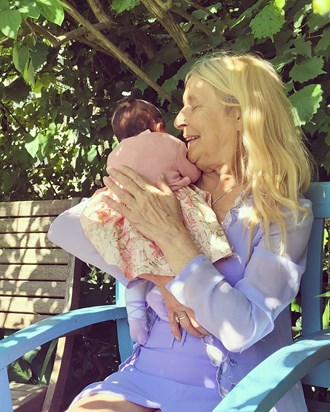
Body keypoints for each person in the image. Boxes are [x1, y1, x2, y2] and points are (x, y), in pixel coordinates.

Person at [48, 51, 314, 412]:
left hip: (236, 392)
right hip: (144, 379)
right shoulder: (175, 185)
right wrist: (165, 279)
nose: (178, 120)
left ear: (240, 113)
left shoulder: (282, 212)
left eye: (194, 106)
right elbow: (67, 226)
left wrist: (175, 237)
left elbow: (242, 329)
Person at [80, 97, 232, 344]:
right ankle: (166, 292)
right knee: (182, 247)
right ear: (158, 124)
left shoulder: (115, 155)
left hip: (129, 215)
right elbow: (191, 174)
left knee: (140, 258)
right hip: (169, 206)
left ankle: (138, 300)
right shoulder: (169, 143)